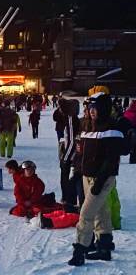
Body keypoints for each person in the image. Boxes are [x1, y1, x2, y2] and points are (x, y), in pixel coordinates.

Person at [68, 93, 125, 266]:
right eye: (89, 108)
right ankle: (104, 247)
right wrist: (76, 170)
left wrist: (99, 182)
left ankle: (80, 249)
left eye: (95, 108)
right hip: (87, 176)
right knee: (101, 212)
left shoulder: (111, 128)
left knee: (85, 214)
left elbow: (111, 160)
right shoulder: (87, 126)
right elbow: (80, 152)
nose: (92, 112)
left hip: (103, 178)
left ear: (103, 109)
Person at [57, 98, 81, 212]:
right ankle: (68, 199)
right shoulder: (69, 118)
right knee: (69, 179)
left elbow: (72, 141)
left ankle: (68, 201)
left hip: (72, 156)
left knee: (67, 178)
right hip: (72, 154)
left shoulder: (71, 119)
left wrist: (65, 159)